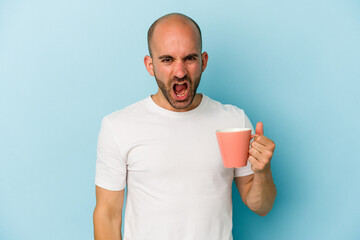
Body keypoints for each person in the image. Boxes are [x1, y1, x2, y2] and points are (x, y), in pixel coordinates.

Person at [93, 13, 276, 240]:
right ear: (150, 65)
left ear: (203, 61)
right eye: (167, 60)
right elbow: (107, 215)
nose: (180, 72)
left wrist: (263, 173)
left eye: (189, 58)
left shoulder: (233, 122)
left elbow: (261, 205)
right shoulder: (118, 127)